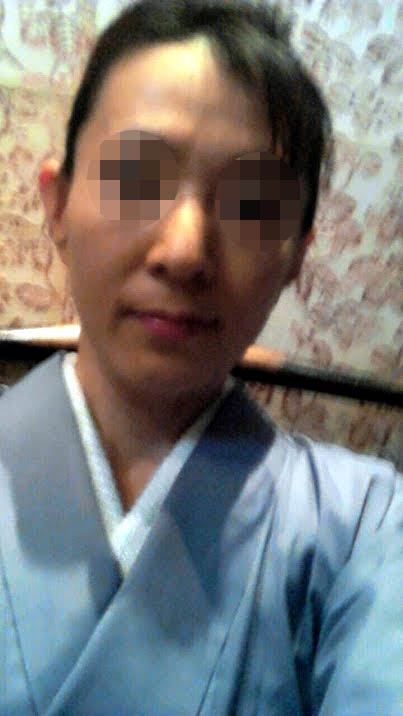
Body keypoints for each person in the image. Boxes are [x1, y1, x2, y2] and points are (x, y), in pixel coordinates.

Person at [0, 1, 401, 714]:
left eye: (253, 204)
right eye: (135, 178)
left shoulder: (367, 526)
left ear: (295, 259)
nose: (185, 251)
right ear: (57, 206)